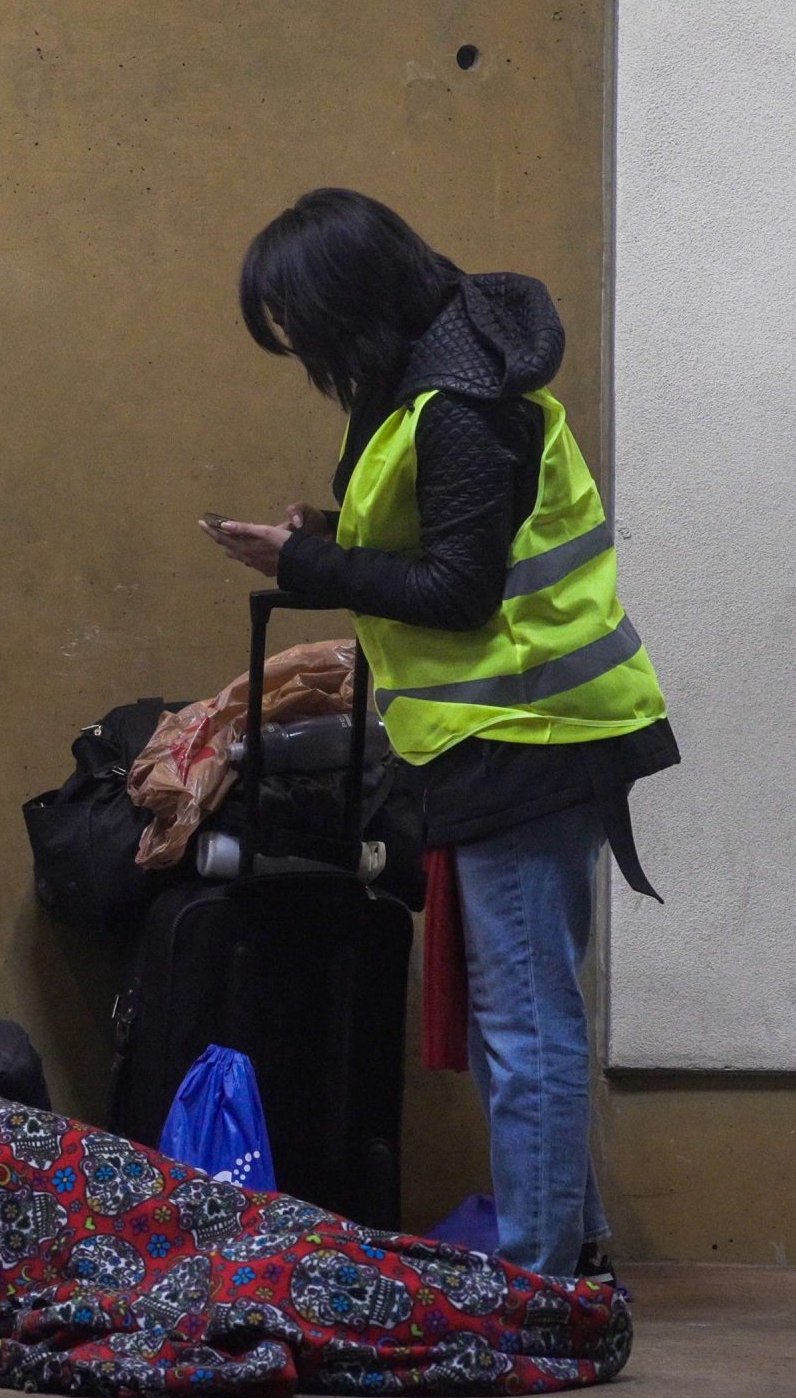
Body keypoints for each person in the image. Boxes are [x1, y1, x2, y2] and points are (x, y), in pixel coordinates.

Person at [203, 188, 677, 1282]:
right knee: (527, 1015)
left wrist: (303, 567)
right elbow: (453, 546)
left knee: (525, 1028)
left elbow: (457, 592)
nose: (302, 351)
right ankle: (568, 1248)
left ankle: (539, 1282)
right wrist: (325, 539)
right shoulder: (441, 367)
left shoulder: (457, 400)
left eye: (301, 325)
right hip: (513, 736)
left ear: (348, 302)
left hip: (525, 738)